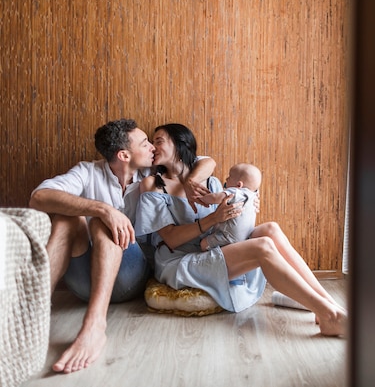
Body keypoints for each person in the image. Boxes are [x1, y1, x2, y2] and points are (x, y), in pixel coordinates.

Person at [28, 119, 215, 374]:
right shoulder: (88, 172)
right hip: (84, 279)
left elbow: (206, 161)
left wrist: (193, 182)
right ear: (124, 154)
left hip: (130, 276)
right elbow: (39, 198)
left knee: (101, 225)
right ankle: (32, 311)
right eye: (145, 143)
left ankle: (94, 326)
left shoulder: (153, 174)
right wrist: (102, 209)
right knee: (67, 219)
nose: (152, 147)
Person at [135, 123, 347, 336]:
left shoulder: (211, 182)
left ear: (180, 145)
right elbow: (170, 239)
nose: (153, 147)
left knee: (271, 229)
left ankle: (329, 305)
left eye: (158, 141)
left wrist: (248, 200)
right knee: (262, 246)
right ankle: (330, 316)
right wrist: (212, 219)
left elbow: (232, 214)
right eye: (151, 143)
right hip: (180, 260)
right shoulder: (152, 184)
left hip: (212, 247)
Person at [198, 162, 261, 251]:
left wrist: (202, 199)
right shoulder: (253, 195)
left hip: (228, 236)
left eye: (229, 177)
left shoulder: (237, 192)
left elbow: (216, 197)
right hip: (245, 236)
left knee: (203, 244)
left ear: (239, 185)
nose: (226, 179)